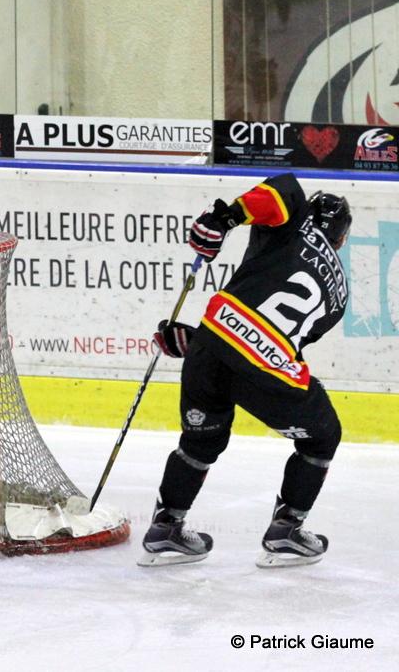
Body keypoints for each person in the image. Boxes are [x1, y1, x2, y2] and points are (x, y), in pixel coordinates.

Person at [140, 172, 351, 569]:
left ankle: (166, 527)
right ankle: (287, 529)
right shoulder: (339, 292)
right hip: (263, 369)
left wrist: (225, 218)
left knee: (201, 442)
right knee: (323, 437)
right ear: (341, 240)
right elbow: (279, 339)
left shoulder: (292, 223)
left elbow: (284, 188)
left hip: (211, 347)